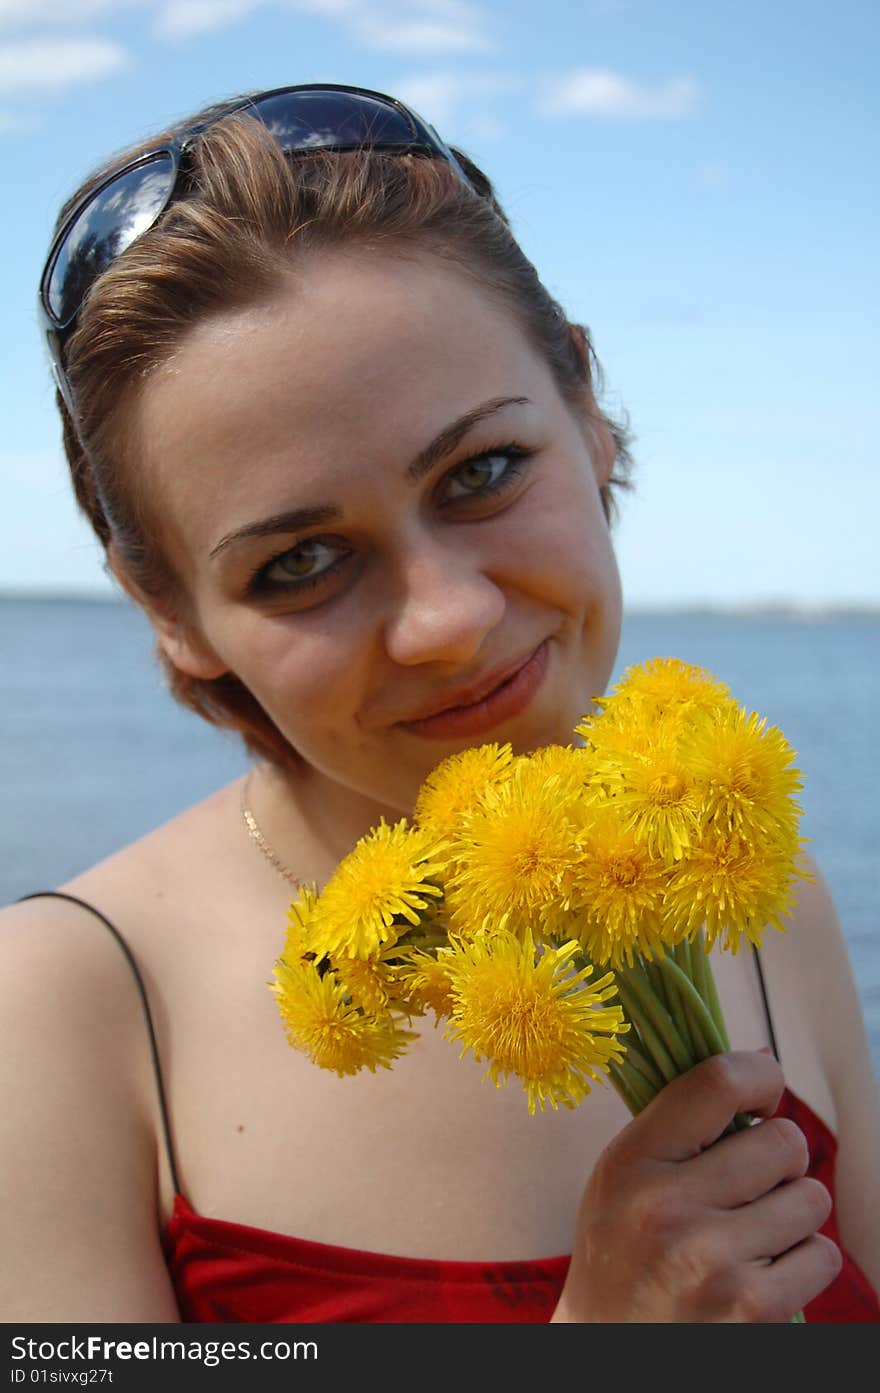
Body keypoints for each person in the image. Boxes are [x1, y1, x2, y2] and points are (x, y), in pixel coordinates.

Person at [2, 82, 878, 1324]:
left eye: (483, 470)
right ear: (174, 618)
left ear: (586, 411)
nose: (446, 619)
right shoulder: (59, 1013)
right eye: (298, 561)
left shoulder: (757, 892)